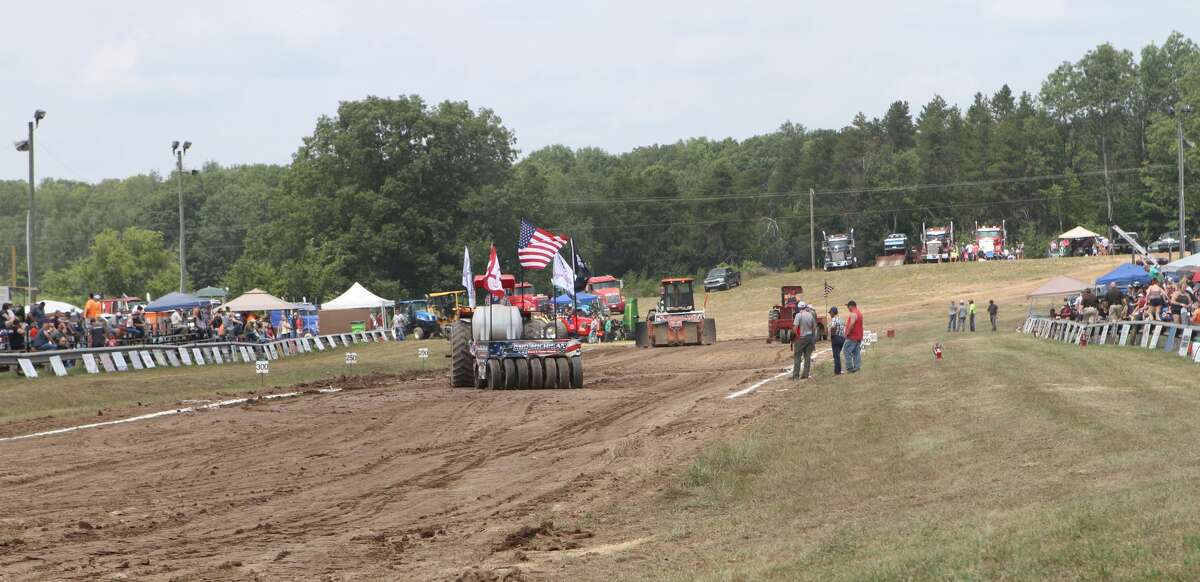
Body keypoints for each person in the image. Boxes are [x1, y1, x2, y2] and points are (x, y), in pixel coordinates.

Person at [791, 301, 817, 380]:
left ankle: (796, 375)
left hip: (801, 337)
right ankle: (805, 374)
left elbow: (795, 328)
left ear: (799, 308)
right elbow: (814, 327)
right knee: (807, 356)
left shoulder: (798, 315)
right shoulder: (810, 315)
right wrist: (811, 334)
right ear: (805, 307)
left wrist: (797, 335)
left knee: (797, 356)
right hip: (809, 337)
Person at [843, 300, 863, 373]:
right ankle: (857, 367)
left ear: (851, 306)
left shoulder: (853, 314)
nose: (848, 308)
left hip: (852, 336)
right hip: (858, 336)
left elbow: (852, 324)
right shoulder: (859, 313)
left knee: (846, 350)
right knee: (856, 352)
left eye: (848, 307)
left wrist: (847, 333)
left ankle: (849, 368)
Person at [828, 307, 845, 375]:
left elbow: (833, 327)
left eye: (830, 313)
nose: (830, 314)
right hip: (842, 338)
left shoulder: (834, 319)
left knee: (836, 355)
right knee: (837, 354)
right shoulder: (840, 319)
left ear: (833, 312)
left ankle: (837, 371)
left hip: (836, 338)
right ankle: (839, 369)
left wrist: (830, 336)